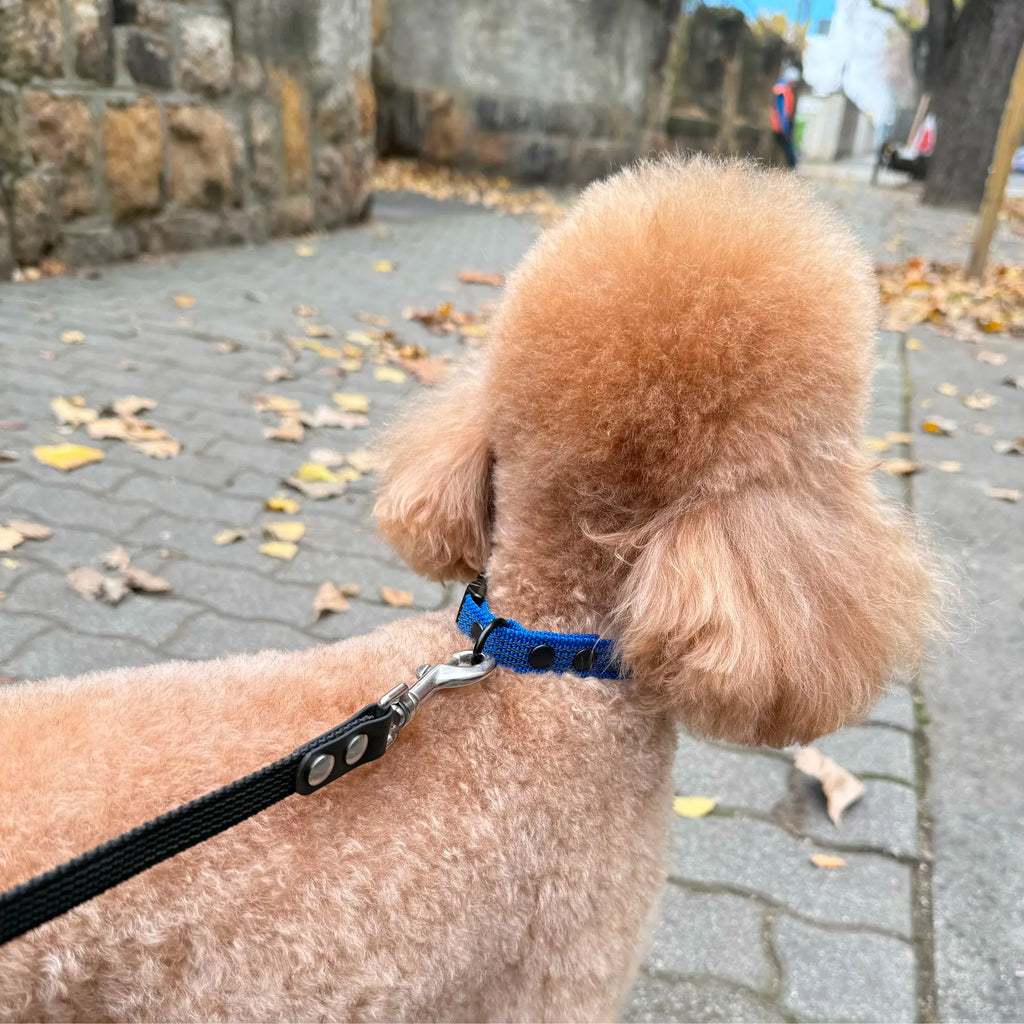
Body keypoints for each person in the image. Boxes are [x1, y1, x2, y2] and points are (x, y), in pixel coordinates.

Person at [770, 66, 801, 169]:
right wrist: (784, 127)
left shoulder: (781, 88)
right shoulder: (783, 90)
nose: (795, 84)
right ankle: (792, 166)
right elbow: (781, 110)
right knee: (788, 147)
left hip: (779, 124)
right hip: (781, 125)